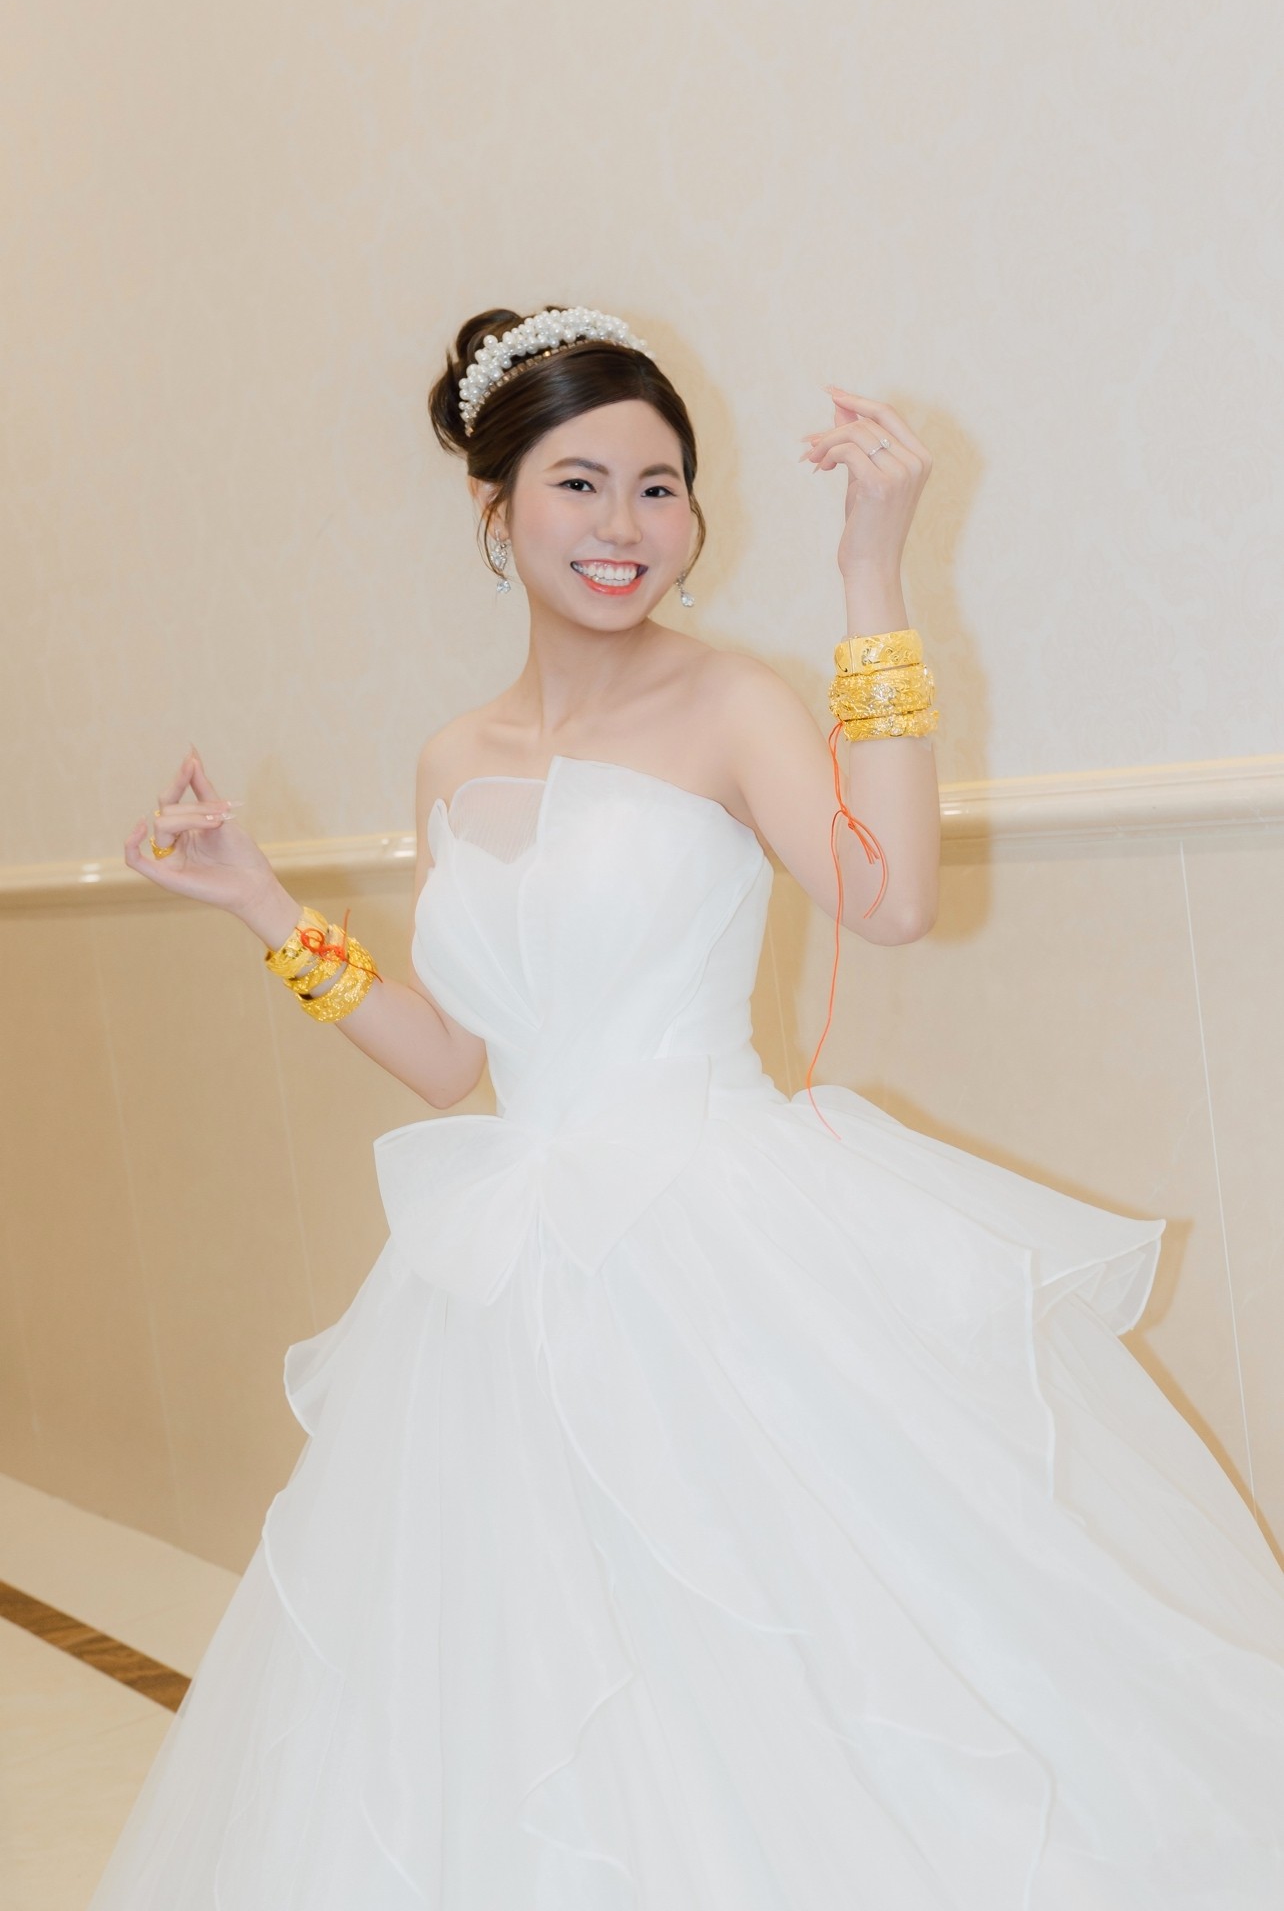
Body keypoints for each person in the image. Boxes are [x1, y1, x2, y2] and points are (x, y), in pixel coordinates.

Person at [96, 304, 1284, 1908]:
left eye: (661, 487)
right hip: (503, 1288)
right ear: (495, 506)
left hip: (719, 1239)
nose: (626, 526)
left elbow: (894, 900)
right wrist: (259, 902)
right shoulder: (452, 759)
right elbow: (451, 1060)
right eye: (580, 484)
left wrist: (872, 574)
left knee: (809, 1663)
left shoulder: (732, 705)